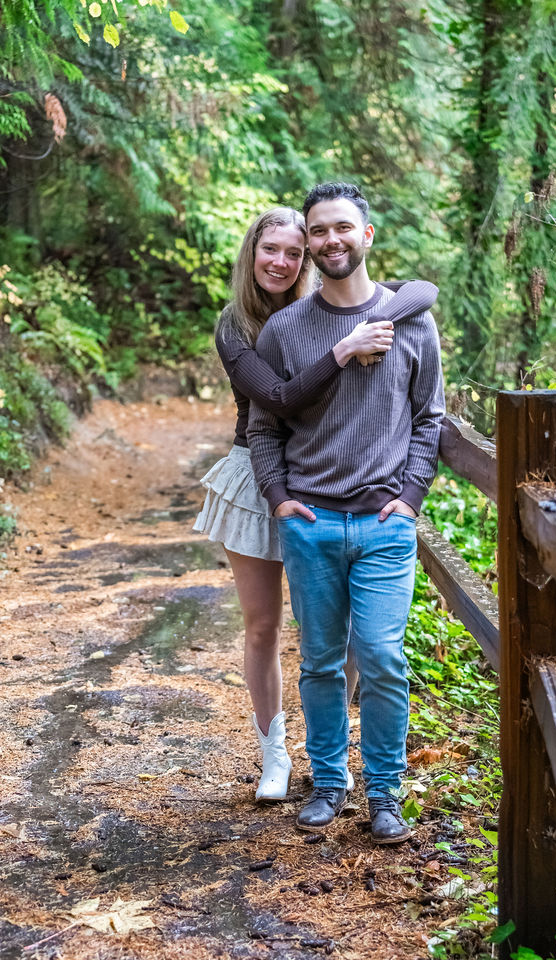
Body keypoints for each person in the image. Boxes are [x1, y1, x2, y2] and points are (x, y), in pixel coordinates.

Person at [194, 206, 438, 804]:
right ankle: (275, 753)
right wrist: (347, 348)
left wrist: (379, 318)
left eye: (293, 251)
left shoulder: (330, 300)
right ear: (251, 254)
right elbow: (277, 400)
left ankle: (339, 759)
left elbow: (418, 292)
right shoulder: (238, 325)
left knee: (353, 639)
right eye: (269, 249)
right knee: (264, 626)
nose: (281, 262)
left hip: (331, 488)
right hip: (259, 475)